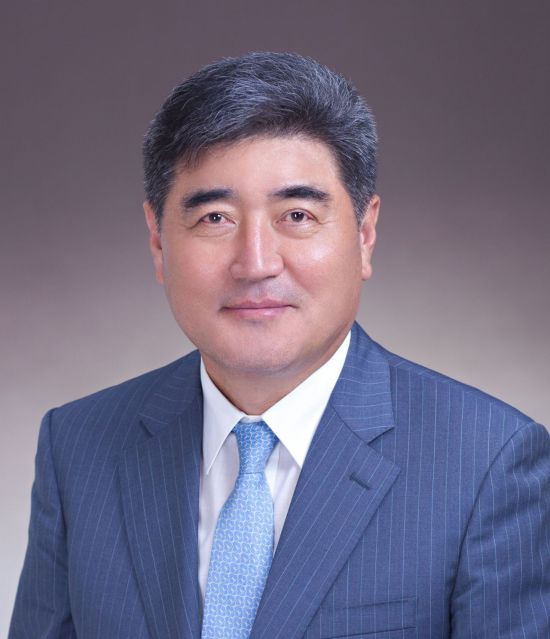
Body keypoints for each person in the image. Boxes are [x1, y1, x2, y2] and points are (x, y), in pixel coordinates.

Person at [10, 52, 550, 639]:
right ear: (158, 242)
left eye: (296, 214)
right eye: (215, 218)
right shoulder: (78, 447)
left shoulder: (488, 463)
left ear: (365, 234)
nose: (256, 263)